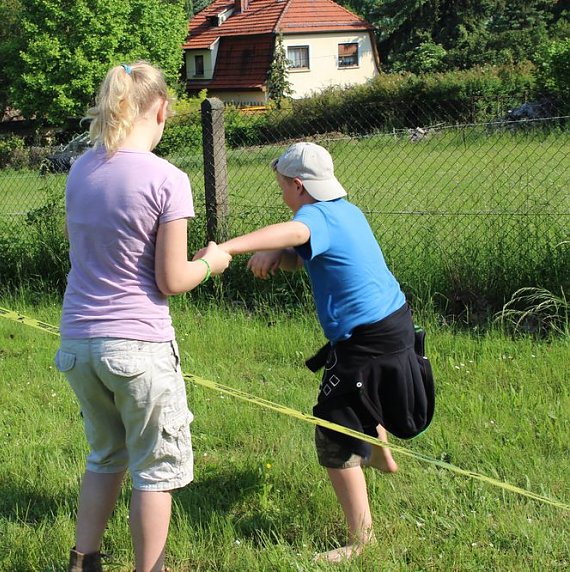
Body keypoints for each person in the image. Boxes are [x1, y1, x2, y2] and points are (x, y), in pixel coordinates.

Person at [211, 142, 434, 563]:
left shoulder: (313, 217)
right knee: (360, 397)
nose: (282, 194)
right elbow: (303, 254)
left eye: (282, 187)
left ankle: (361, 541)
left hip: (367, 339)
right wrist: (277, 254)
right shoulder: (346, 211)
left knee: (333, 426)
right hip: (391, 324)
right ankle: (381, 454)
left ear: (298, 185)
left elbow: (298, 233)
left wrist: (227, 248)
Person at [55, 61, 232, 572]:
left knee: (105, 457)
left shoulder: (80, 169)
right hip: (138, 348)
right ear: (160, 110)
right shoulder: (167, 178)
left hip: (79, 345)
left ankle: (83, 561)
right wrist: (212, 262)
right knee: (156, 470)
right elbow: (171, 279)